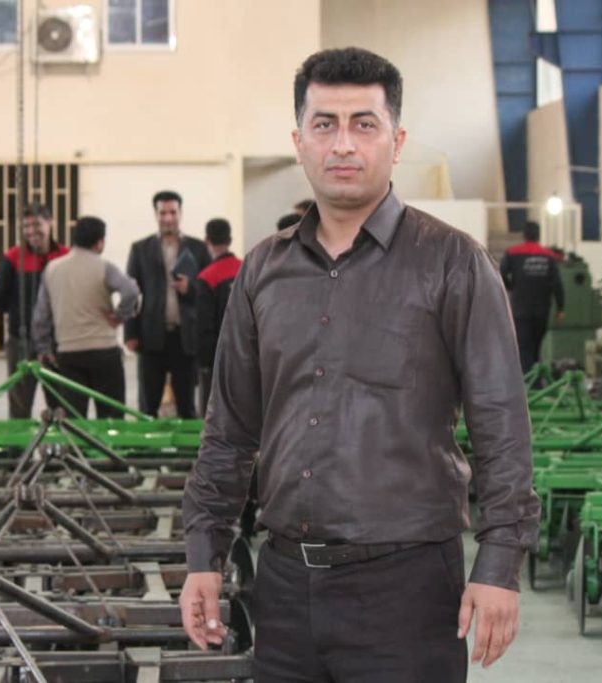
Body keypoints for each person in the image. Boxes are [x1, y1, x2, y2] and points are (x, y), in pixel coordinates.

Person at [180, 47, 540, 681]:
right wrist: (204, 553)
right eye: (325, 124)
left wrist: (500, 562)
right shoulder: (263, 270)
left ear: (396, 143)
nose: (343, 144)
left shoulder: (454, 263)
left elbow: (501, 425)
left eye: (363, 124)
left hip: (407, 591)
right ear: (300, 142)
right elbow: (229, 430)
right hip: (285, 587)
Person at [32, 216, 140, 419]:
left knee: (74, 418)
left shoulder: (52, 269)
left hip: (68, 353)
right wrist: (120, 316)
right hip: (104, 351)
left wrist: (44, 348)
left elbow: (40, 317)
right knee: (111, 417)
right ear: (100, 242)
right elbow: (131, 291)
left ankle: (76, 441)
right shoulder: (104, 267)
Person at [124, 190, 211, 418]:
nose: (168, 218)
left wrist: (190, 288)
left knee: (187, 405)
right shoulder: (140, 249)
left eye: (172, 212)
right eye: (163, 213)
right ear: (156, 214)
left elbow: (208, 292)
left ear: (180, 213)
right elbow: (131, 294)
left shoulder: (198, 248)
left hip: (186, 337)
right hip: (151, 335)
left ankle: (188, 443)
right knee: (148, 404)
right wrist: (130, 332)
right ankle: (147, 443)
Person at [0, 202, 69, 418]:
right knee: (19, 405)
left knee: (61, 403)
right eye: (26, 226)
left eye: (37, 225)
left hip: (58, 343)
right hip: (21, 340)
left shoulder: (65, 256)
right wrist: (19, 313)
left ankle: (61, 440)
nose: (31, 231)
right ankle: (19, 441)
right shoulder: (13, 258)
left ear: (50, 222)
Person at [499, 221, 565, 373]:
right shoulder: (548, 256)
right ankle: (534, 379)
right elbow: (557, 284)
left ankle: (526, 380)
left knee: (523, 346)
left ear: (524, 235)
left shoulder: (512, 253)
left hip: (520, 309)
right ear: (538, 235)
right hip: (542, 310)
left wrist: (511, 286)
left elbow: (500, 274)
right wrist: (561, 308)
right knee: (536, 346)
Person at [194, 218, 243, 415]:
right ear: (230, 240)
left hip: (218, 359)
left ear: (207, 240)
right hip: (248, 355)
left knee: (214, 413)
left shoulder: (206, 277)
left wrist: (204, 363)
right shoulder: (247, 269)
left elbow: (204, 326)